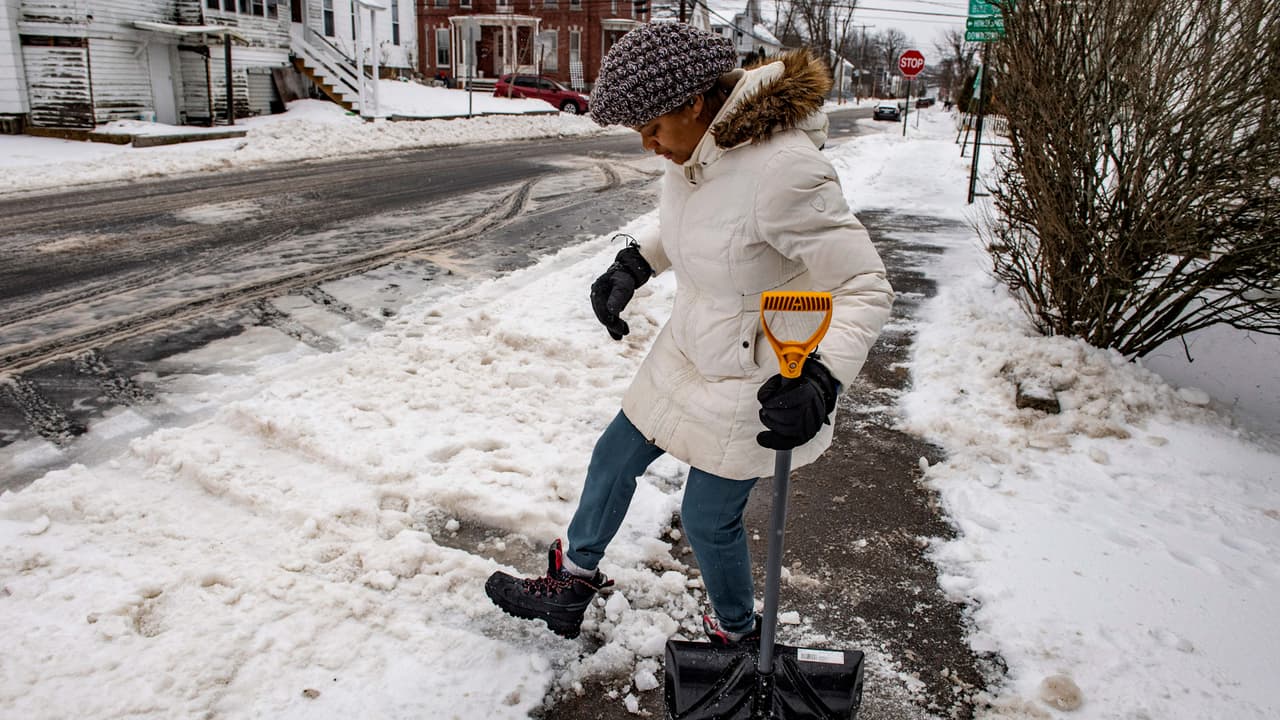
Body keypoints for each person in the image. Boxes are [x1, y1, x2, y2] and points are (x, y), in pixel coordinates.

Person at [485, 23, 893, 645]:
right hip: (687, 349)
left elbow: (866, 284)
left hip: (756, 371)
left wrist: (824, 375)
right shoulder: (698, 149)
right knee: (613, 458)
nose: (649, 145)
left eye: (651, 129)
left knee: (707, 519)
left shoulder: (785, 171)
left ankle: (735, 631)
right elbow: (697, 219)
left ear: (695, 102)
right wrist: (635, 263)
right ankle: (571, 582)